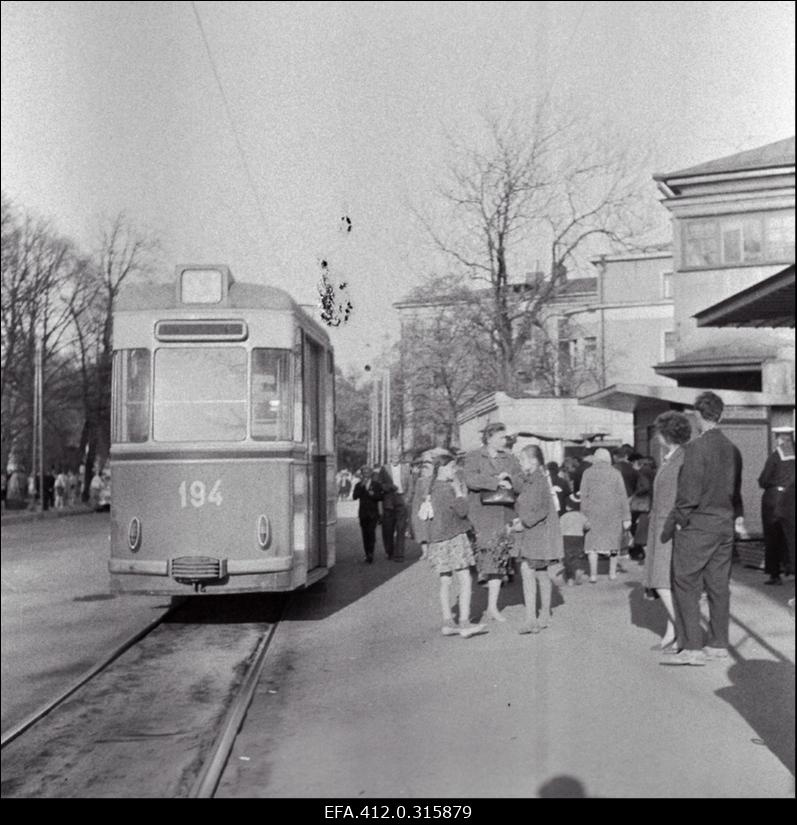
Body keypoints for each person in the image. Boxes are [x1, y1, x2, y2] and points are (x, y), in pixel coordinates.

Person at [661, 391, 745, 666]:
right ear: (720, 414)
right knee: (718, 585)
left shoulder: (695, 448)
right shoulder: (732, 449)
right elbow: (736, 490)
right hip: (724, 524)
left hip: (698, 525)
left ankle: (692, 648)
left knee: (685, 582)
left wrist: (681, 521)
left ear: (698, 416)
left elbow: (689, 494)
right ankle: (718, 643)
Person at [464, 422, 523, 623]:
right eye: (500, 437)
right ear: (489, 438)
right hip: (480, 515)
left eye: (505, 437)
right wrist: (495, 481)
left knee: (498, 560)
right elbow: (470, 480)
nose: (504, 440)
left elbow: (521, 480)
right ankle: (468, 608)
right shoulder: (473, 457)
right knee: (481, 560)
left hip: (503, 514)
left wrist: (511, 480)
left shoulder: (510, 458)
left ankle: (492, 607)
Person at [423, 451, 486, 638]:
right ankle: (465, 623)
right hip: (453, 537)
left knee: (445, 580)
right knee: (465, 578)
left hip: (438, 539)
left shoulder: (432, 487)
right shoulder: (448, 489)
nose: (455, 470)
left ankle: (448, 622)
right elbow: (462, 511)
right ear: (442, 468)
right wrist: (460, 493)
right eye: (451, 467)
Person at [644, 412, 692, 651]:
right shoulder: (671, 457)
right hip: (661, 525)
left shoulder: (679, 459)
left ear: (666, 434)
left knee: (661, 581)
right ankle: (671, 632)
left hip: (668, 527)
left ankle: (683, 632)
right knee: (666, 581)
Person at [515, 445, 564, 633]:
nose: (520, 463)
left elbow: (541, 510)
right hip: (537, 533)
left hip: (536, 533)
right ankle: (544, 614)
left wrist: (523, 522)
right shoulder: (535, 479)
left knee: (527, 570)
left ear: (533, 461)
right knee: (542, 573)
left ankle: (531, 619)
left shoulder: (538, 481)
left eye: (522, 459)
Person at [580, 448, 631, 582]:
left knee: (592, 545)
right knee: (613, 544)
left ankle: (593, 575)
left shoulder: (587, 473)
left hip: (593, 513)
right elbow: (622, 496)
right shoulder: (615, 473)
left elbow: (583, 496)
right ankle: (612, 573)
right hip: (613, 513)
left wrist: (584, 516)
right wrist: (626, 517)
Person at [758, 426, 795, 585]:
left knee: (772, 535)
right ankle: (791, 568)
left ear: (779, 438)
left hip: (774, 499)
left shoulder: (775, 456)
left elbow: (764, 479)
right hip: (792, 498)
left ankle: (775, 574)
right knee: (792, 536)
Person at [376, 450, 412, 562]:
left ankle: (399, 554)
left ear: (400, 457)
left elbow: (411, 484)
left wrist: (407, 498)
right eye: (393, 456)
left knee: (401, 528)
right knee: (388, 528)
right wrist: (389, 486)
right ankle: (389, 551)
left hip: (402, 498)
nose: (395, 457)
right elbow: (379, 484)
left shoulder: (406, 468)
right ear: (390, 457)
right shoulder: (384, 468)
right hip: (389, 500)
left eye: (397, 456)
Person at [352, 466, 384, 563]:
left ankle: (371, 553)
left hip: (373, 513)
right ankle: (367, 553)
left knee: (371, 533)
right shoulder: (358, 485)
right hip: (363, 514)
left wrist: (373, 494)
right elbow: (354, 497)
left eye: (367, 472)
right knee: (365, 534)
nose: (366, 474)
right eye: (364, 473)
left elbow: (381, 497)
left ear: (371, 474)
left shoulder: (376, 485)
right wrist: (362, 486)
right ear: (362, 474)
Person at [560, 494, 588, 586]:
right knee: (577, 556)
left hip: (566, 538)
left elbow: (558, 528)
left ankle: (570, 578)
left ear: (568, 507)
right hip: (578, 537)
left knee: (568, 558)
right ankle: (578, 571)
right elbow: (587, 526)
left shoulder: (564, 516)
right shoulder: (581, 516)